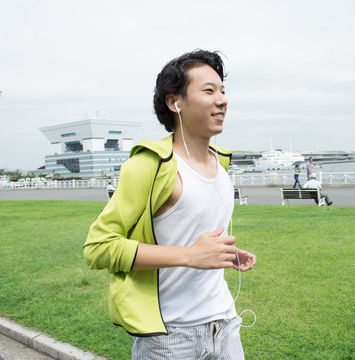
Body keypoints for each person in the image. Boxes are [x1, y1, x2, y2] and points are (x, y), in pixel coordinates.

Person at [83, 49, 256, 359]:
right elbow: (98, 248)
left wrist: (221, 254)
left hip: (225, 323)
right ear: (175, 102)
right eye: (208, 91)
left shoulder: (221, 164)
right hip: (170, 337)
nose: (222, 100)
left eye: (223, 91)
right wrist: (190, 255)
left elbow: (191, 232)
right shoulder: (150, 166)